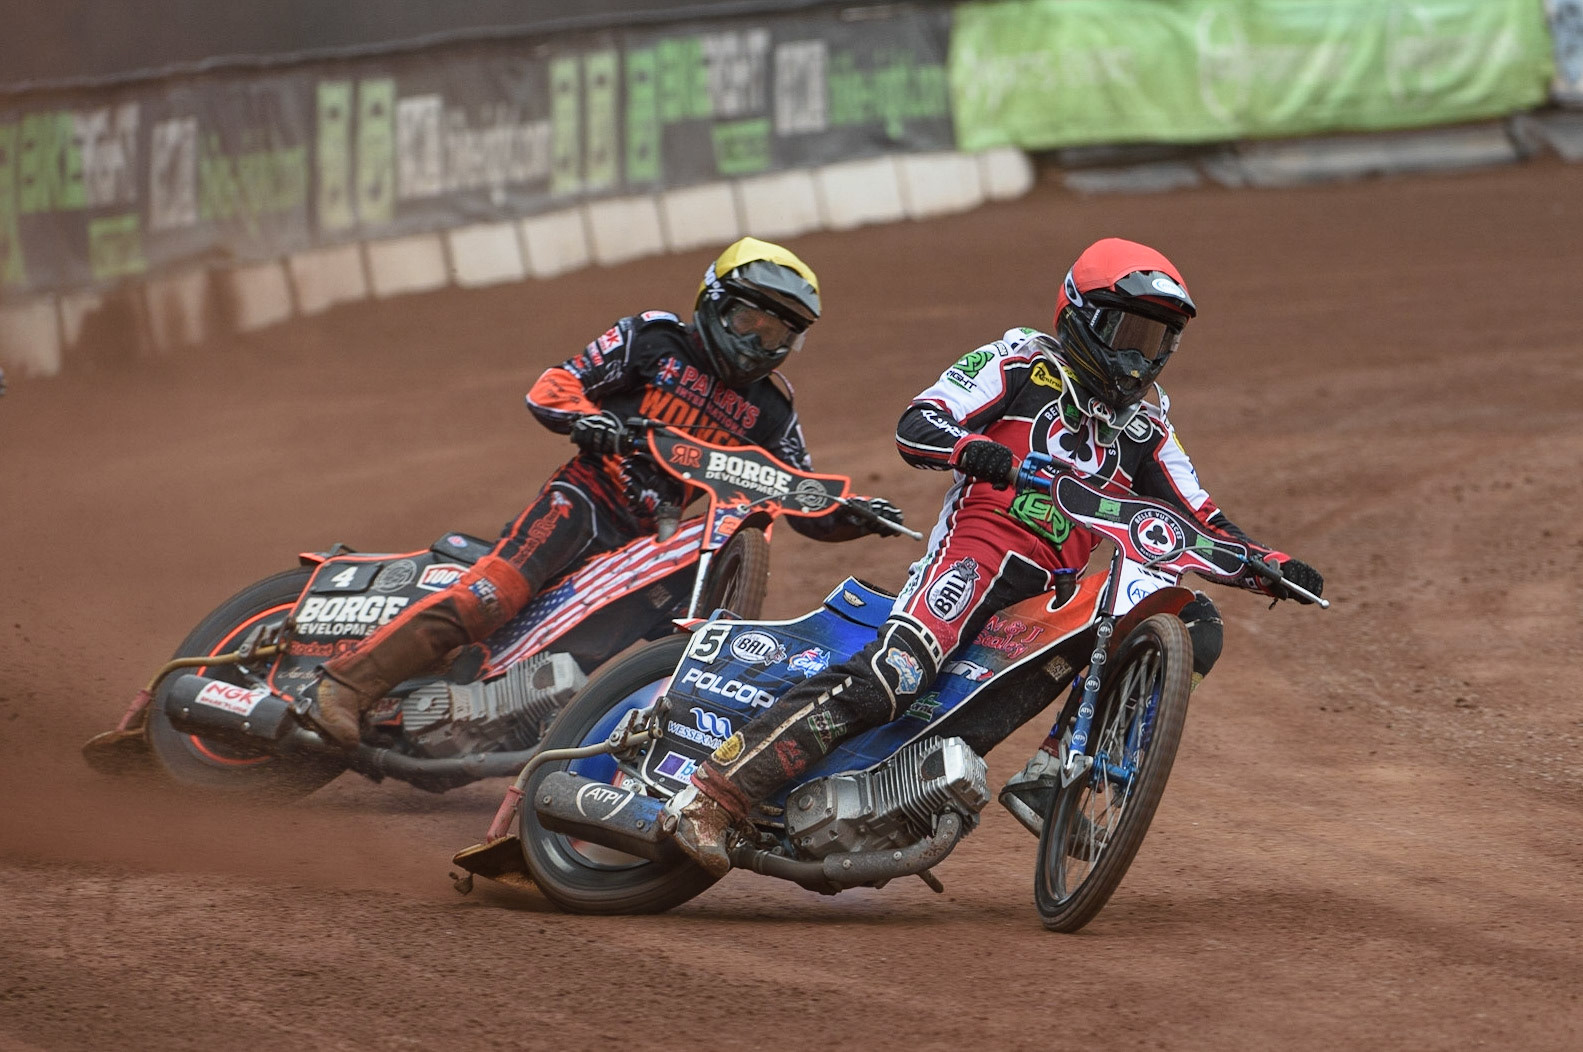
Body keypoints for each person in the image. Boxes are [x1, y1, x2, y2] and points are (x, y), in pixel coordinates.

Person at [664, 237, 1325, 875]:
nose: (1137, 357)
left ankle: (1058, 772)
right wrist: (969, 449)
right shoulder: (1018, 362)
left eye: (1153, 341)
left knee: (1191, 621)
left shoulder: (1149, 428)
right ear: (1081, 319)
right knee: (893, 676)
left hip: (1051, 597)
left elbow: (1197, 518)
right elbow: (918, 423)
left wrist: (1269, 563)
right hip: (975, 557)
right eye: (1126, 333)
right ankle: (713, 794)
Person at [305, 237, 901, 748]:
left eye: (779, 334)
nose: (760, 342)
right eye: (751, 322)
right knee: (495, 593)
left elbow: (798, 497)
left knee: (588, 652)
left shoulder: (772, 407)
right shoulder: (653, 338)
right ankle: (347, 682)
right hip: (586, 498)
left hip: (648, 543)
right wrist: (584, 418)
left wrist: (856, 515)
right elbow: (555, 383)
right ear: (715, 305)